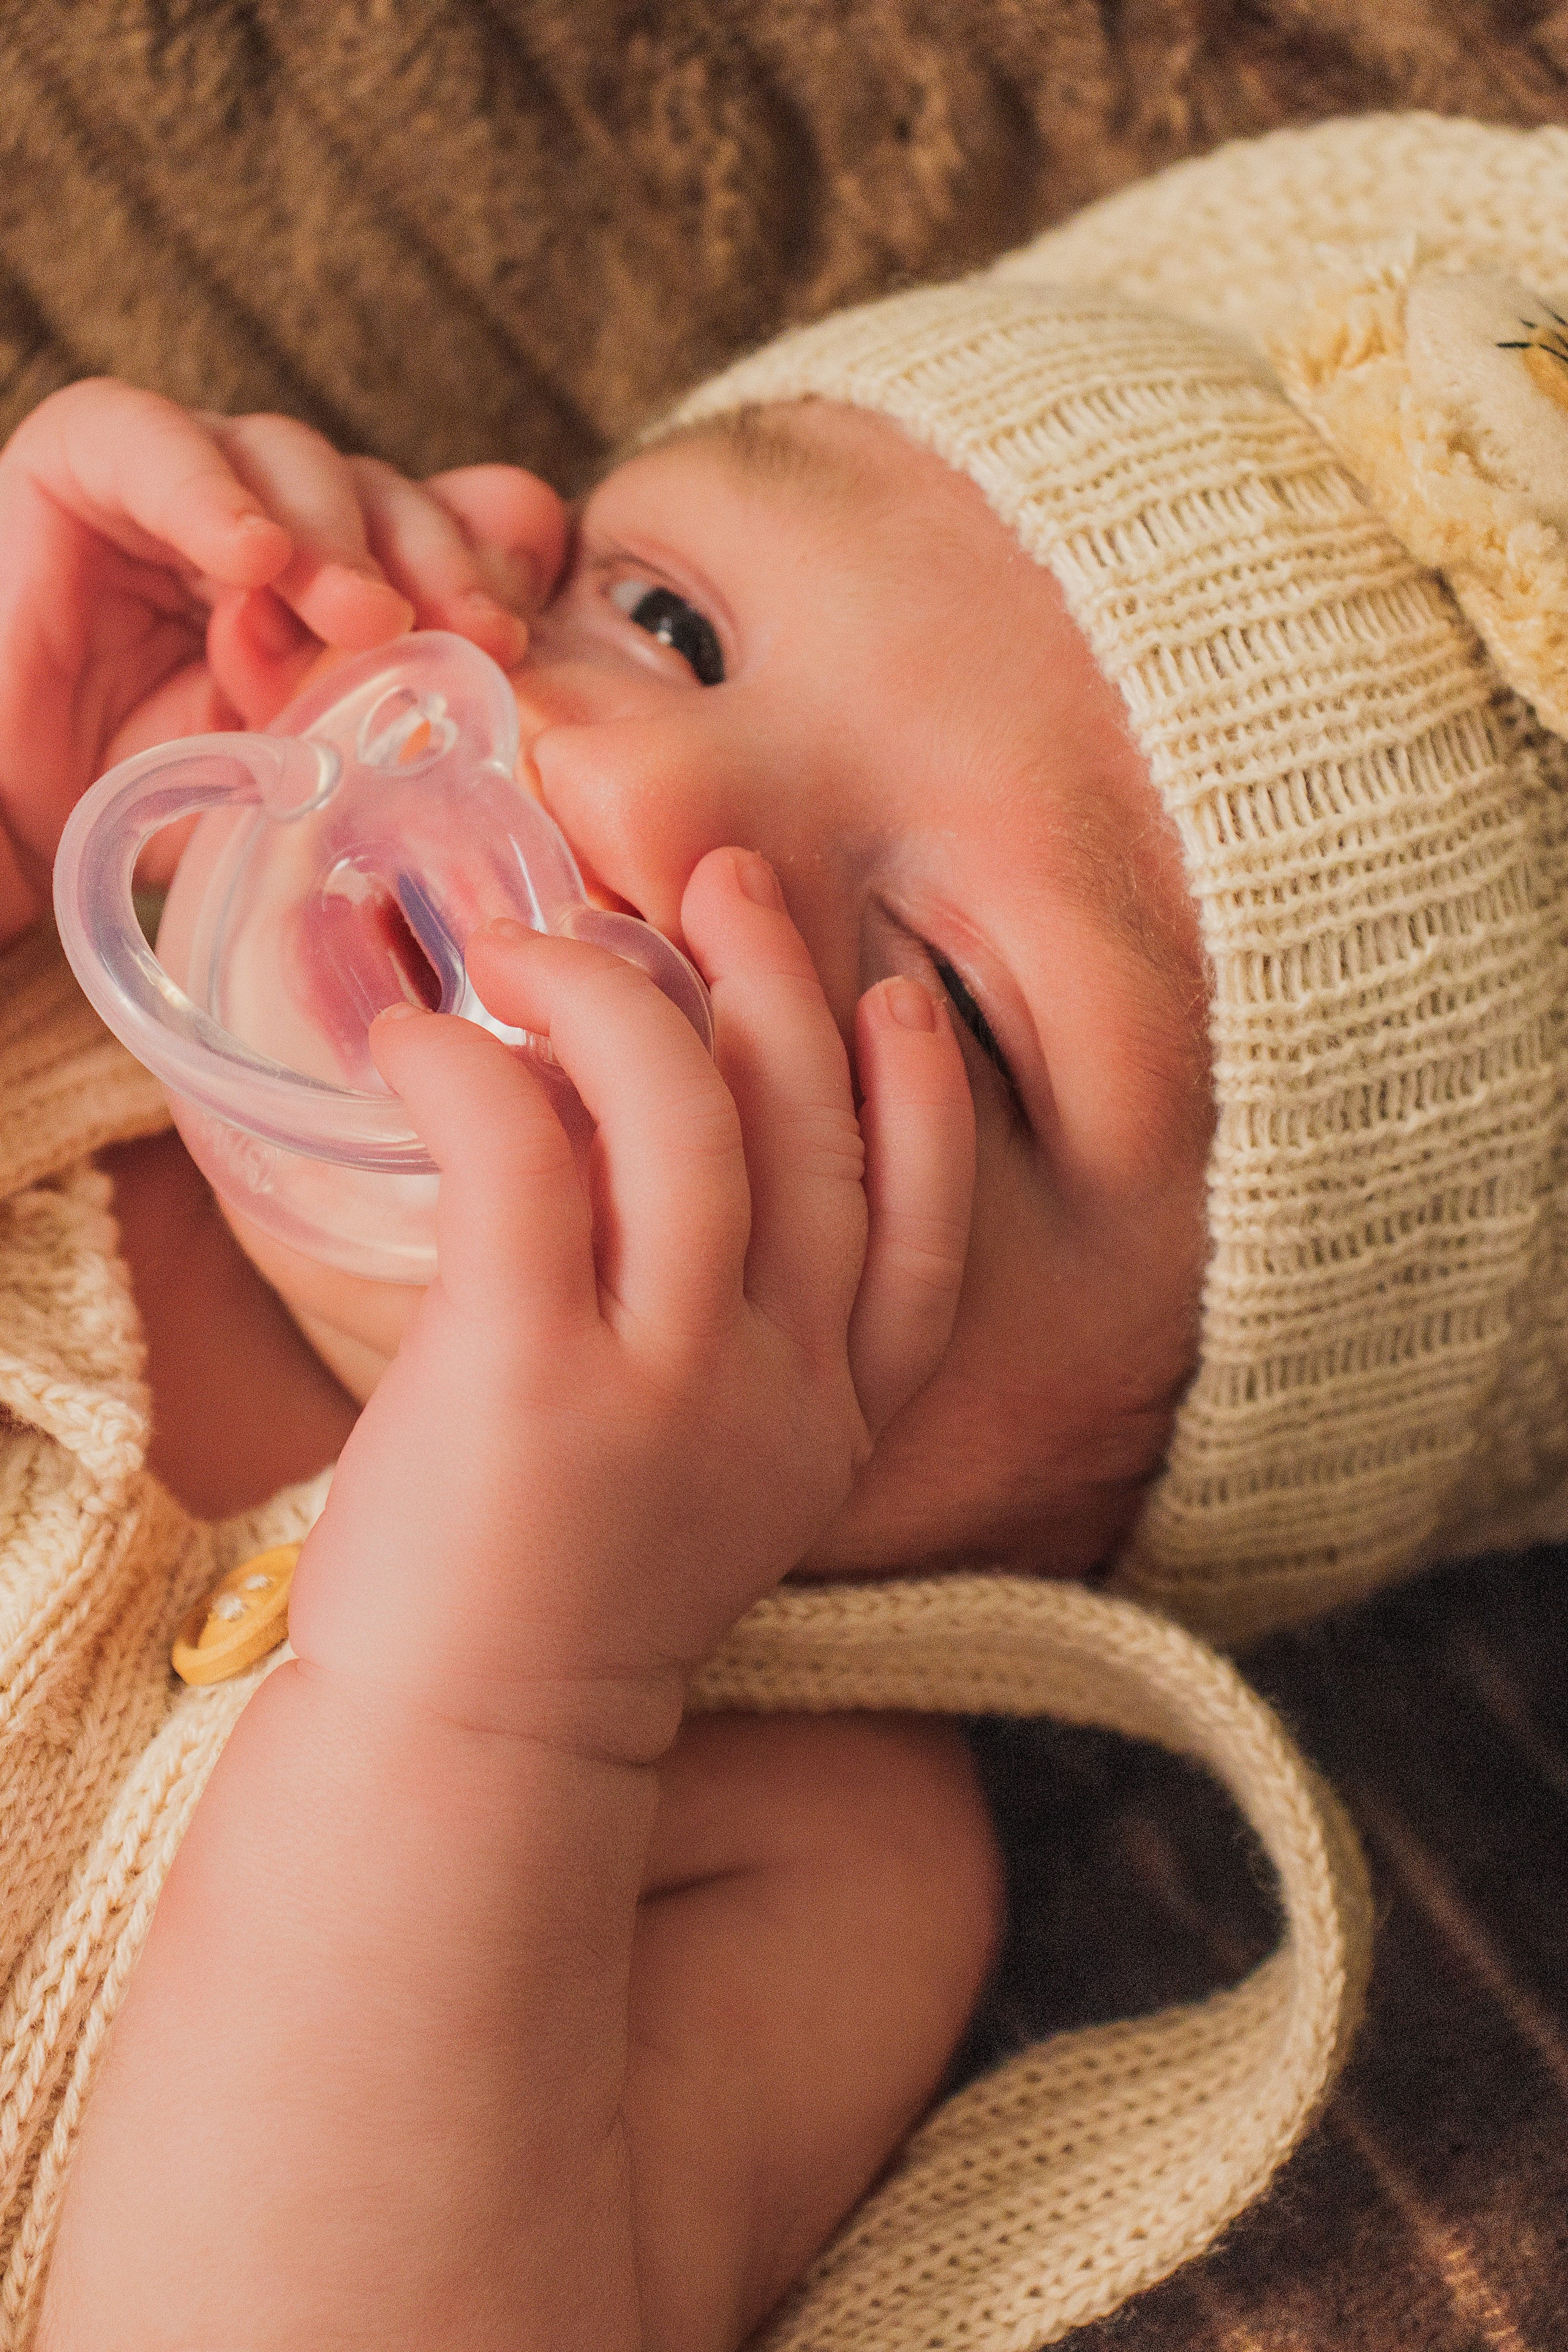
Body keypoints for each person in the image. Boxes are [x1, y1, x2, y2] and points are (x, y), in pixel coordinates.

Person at [5, 107, 1567, 2351]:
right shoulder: (51, 968)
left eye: (938, 1000)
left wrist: (491, 1692)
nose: (633, 791)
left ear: (1111, 1517)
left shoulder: (795, 1838)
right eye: (665, 619)